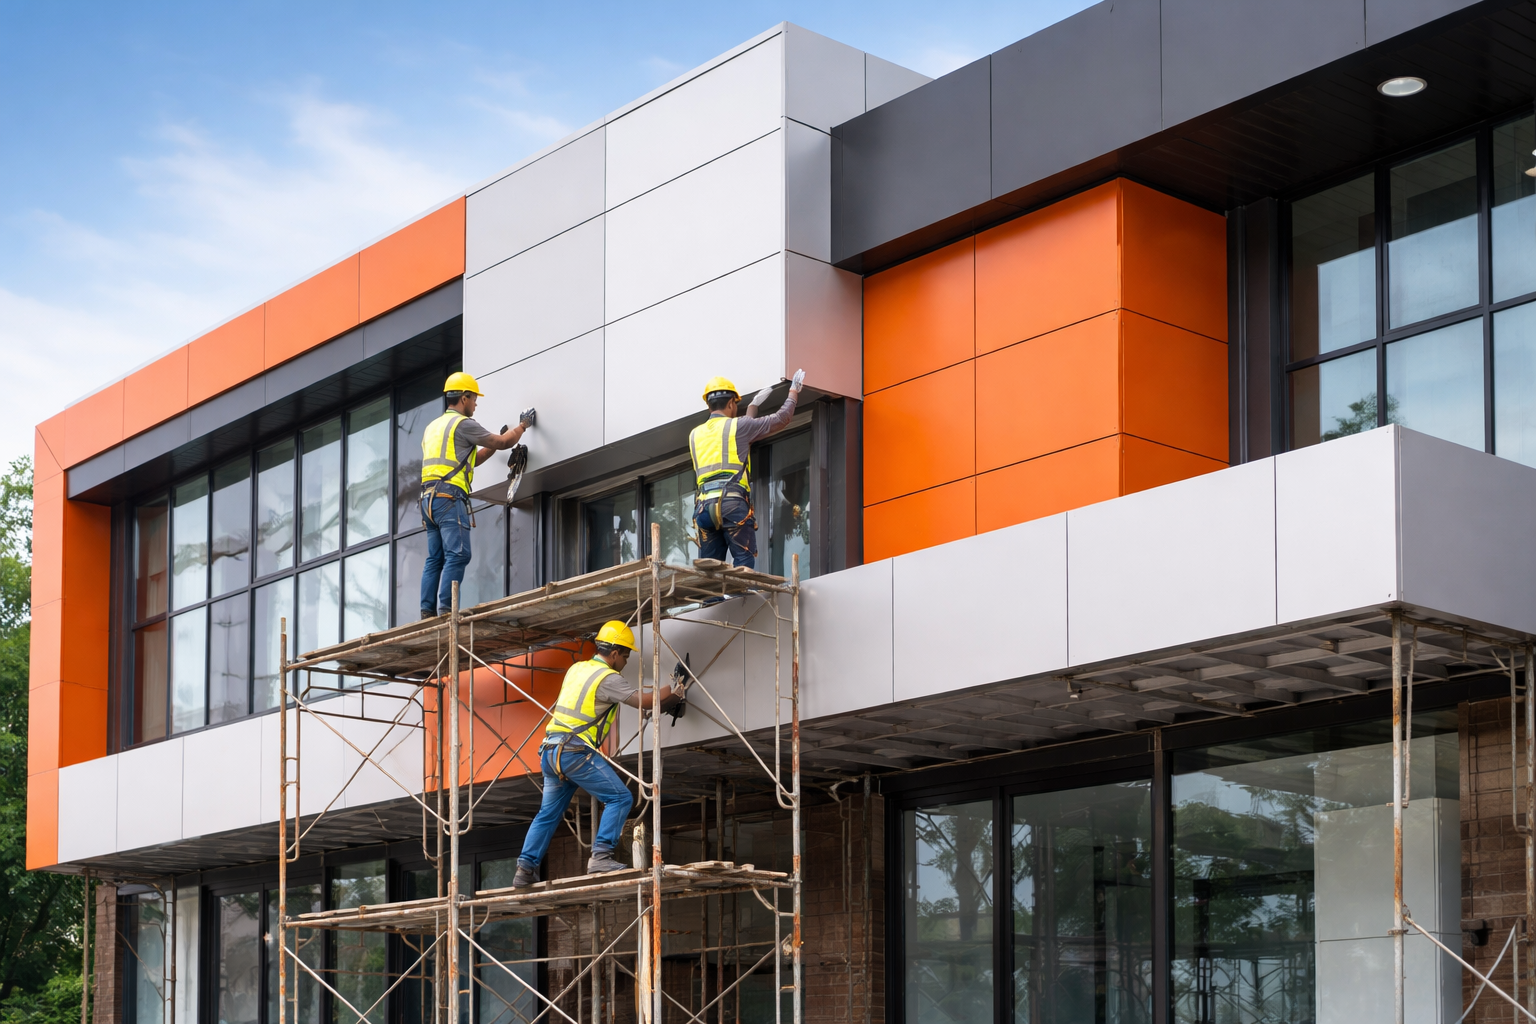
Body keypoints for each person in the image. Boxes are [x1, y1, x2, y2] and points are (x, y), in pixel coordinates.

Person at [512, 622, 683, 885]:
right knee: (620, 798)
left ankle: (524, 869)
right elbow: (643, 701)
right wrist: (673, 692)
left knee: (547, 814)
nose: (626, 661)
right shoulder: (608, 678)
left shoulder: (577, 669)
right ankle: (601, 857)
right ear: (614, 653)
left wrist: (666, 699)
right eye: (625, 655)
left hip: (550, 752)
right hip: (574, 752)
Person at [419, 372, 535, 618]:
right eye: (474, 399)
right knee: (459, 554)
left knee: (435, 558)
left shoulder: (432, 428)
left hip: (428, 501)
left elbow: (470, 460)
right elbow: (503, 443)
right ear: (464, 397)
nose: (476, 404)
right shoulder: (463, 424)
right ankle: (446, 612)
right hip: (449, 498)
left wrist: (492, 445)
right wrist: (522, 426)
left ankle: (427, 612)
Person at [687, 370, 806, 569]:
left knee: (709, 571)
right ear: (732, 403)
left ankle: (710, 601)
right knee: (743, 563)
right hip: (732, 505)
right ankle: (742, 598)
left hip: (704, 509)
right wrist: (794, 390)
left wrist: (752, 407)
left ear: (708, 405)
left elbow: (737, 437)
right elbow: (782, 418)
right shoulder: (737, 427)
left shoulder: (694, 434)